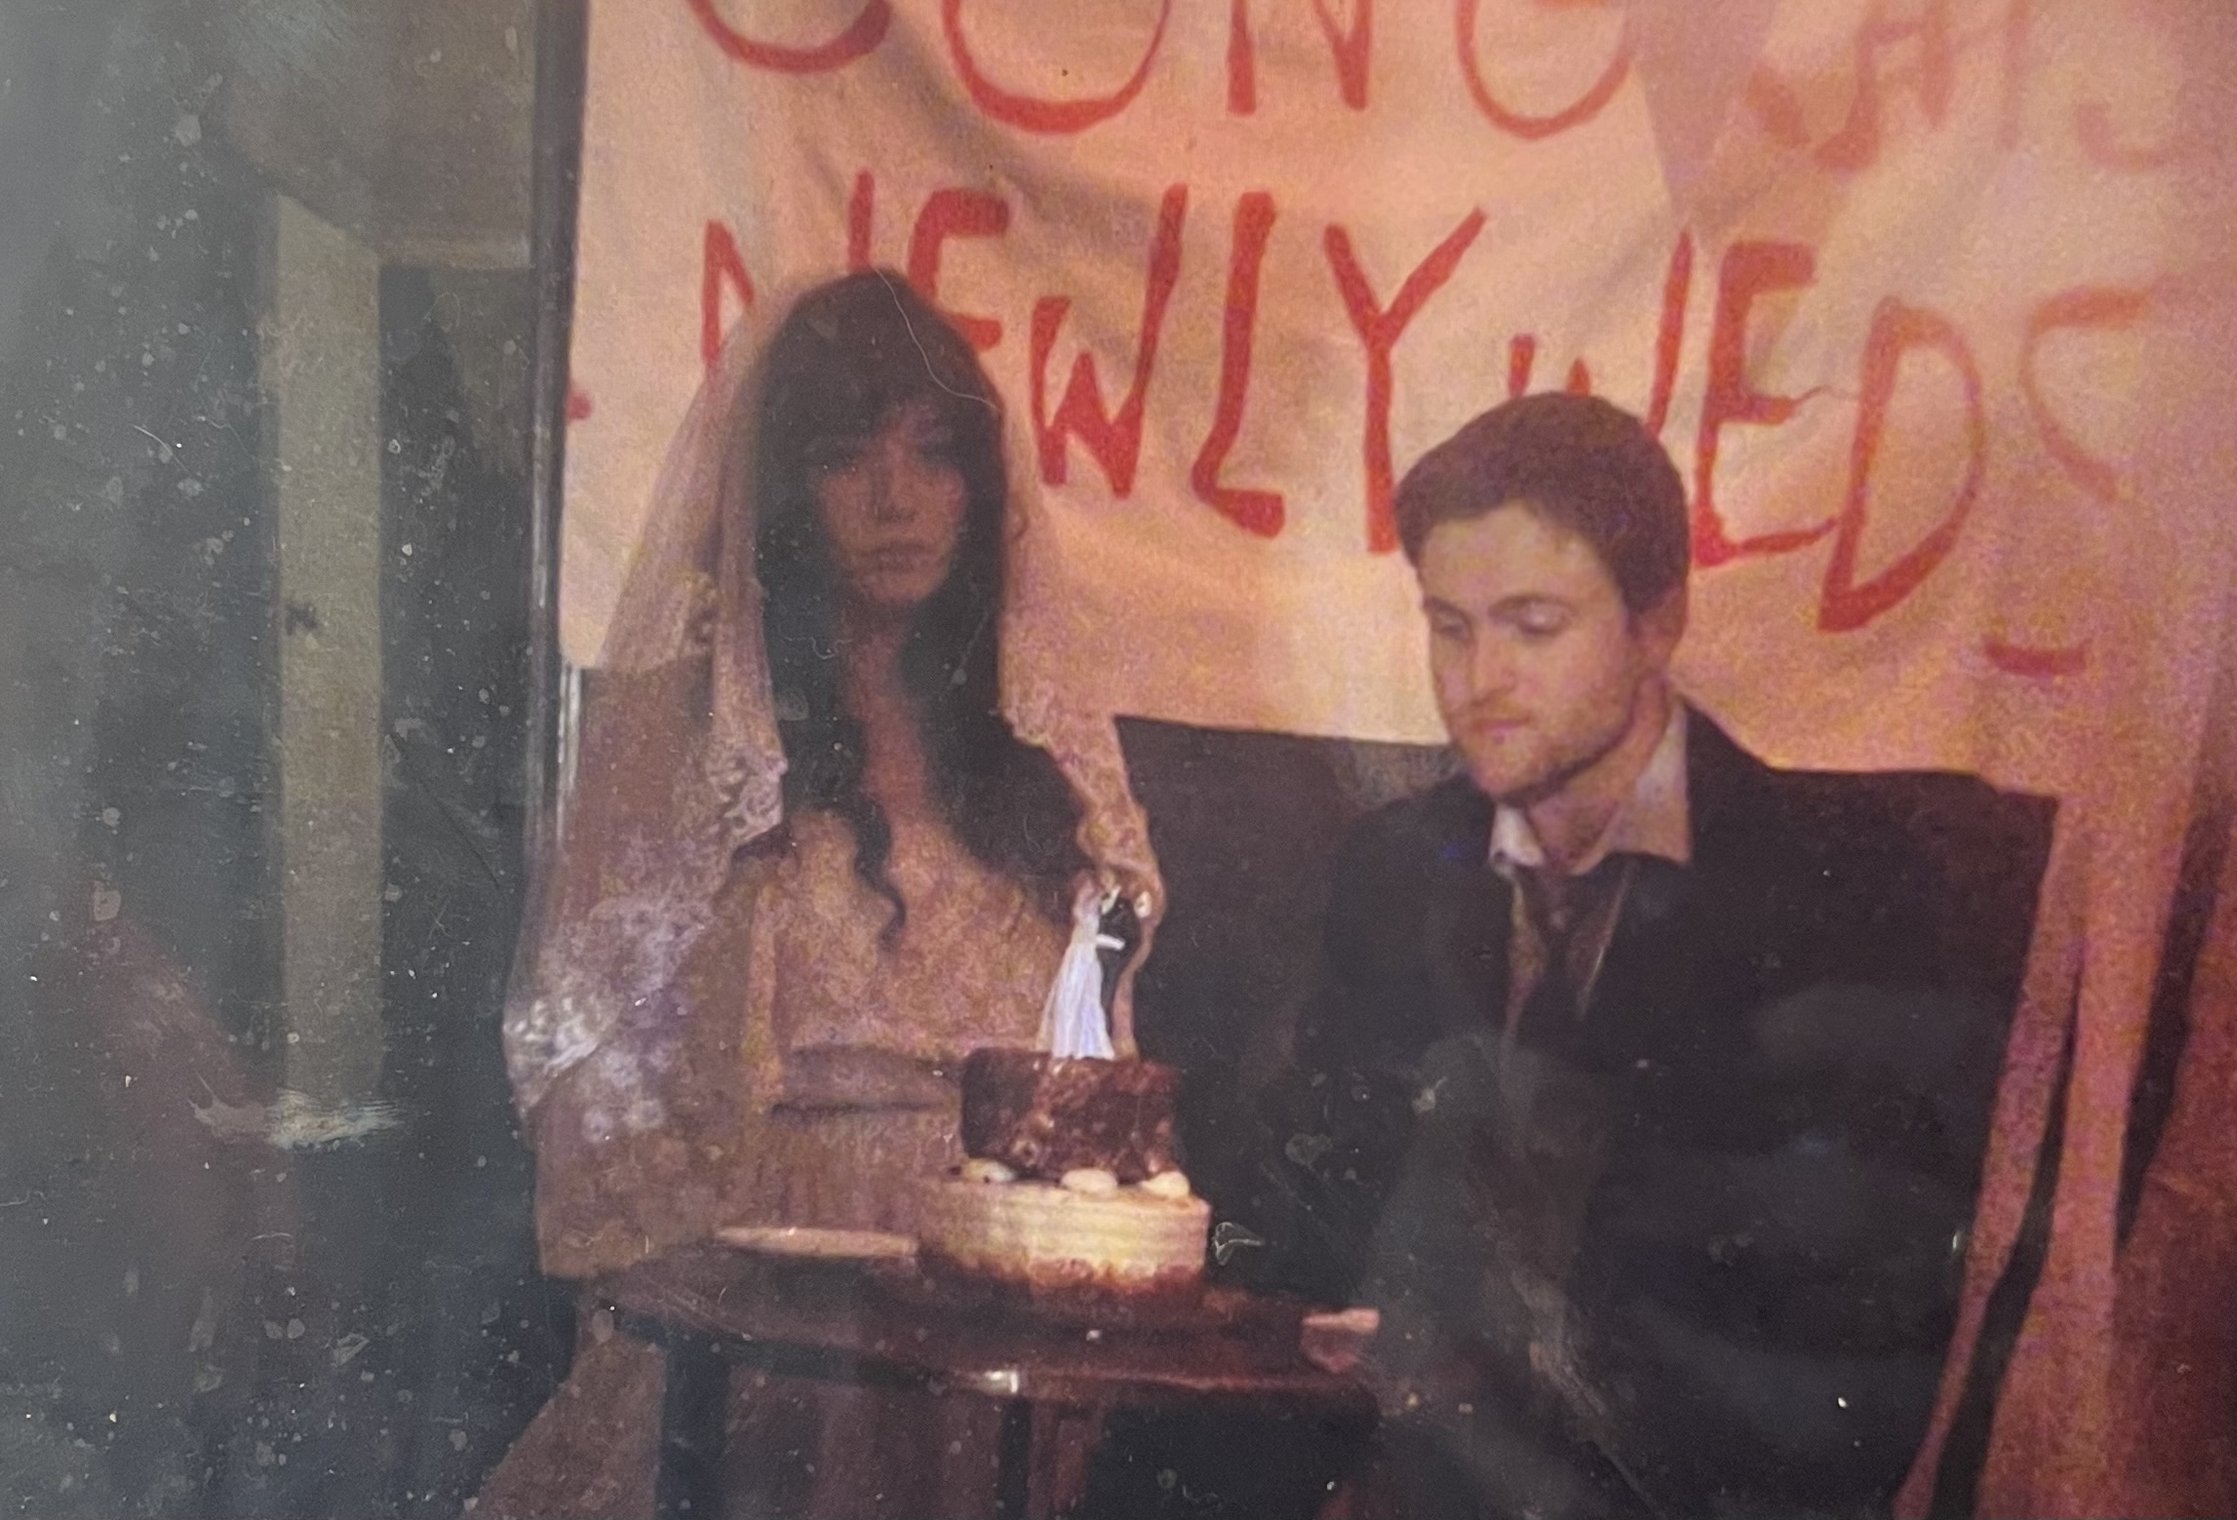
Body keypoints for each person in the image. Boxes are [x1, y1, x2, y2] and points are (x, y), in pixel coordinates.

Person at [1247, 393, 2047, 1518]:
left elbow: (1861, 1333)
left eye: (1533, 626)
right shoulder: (1393, 866)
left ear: (1657, 623)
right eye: (1448, 625)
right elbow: (1318, 1202)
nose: (1480, 677)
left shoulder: (1841, 883)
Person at [477, 270, 1159, 1518]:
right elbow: (588, 1064)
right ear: (789, 491)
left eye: (932, 454)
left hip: (989, 1320)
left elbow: (1096, 1081)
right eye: (849, 458)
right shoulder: (700, 750)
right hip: (773, 1309)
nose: (897, 499)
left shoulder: (1031, 769)